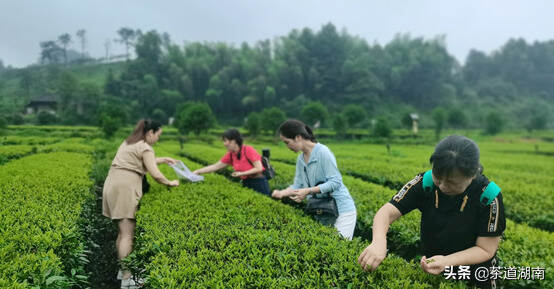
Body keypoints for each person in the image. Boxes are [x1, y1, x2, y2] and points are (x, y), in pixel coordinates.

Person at [357, 135, 506, 288]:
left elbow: (486, 249)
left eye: (451, 182)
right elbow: (386, 212)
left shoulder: (488, 196)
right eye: (438, 177)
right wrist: (378, 242)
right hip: (435, 269)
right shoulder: (424, 182)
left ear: (473, 174)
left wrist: (448, 261)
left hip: (476, 274)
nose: (442, 186)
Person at [102, 119, 179, 289]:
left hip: (113, 183)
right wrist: (170, 183)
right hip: (125, 187)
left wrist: (162, 159)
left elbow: (140, 160)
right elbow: (156, 174)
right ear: (150, 132)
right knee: (128, 234)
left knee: (122, 232)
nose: (158, 139)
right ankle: (128, 279)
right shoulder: (145, 146)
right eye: (158, 135)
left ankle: (123, 271)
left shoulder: (129, 142)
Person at [271, 119, 357, 240]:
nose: (287, 146)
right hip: (323, 210)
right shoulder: (301, 159)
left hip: (342, 211)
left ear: (298, 137)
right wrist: (281, 193)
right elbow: (297, 185)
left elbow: (335, 182)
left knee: (338, 246)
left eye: (287, 142)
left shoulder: (323, 152)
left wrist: (308, 191)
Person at [192, 128, 270, 196]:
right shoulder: (231, 155)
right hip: (246, 183)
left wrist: (242, 173)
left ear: (234, 141)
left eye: (226, 141)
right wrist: (198, 171)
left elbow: (259, 168)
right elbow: (216, 166)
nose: (224, 144)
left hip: (259, 183)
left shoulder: (248, 150)